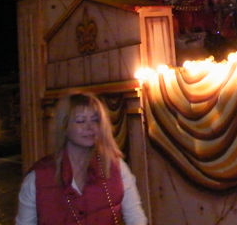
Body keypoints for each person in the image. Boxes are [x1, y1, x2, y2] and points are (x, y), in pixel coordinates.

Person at [15, 92, 148, 225]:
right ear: (64, 126)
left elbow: (135, 217)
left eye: (95, 120)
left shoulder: (116, 167)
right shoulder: (38, 177)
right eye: (80, 120)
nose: (89, 127)